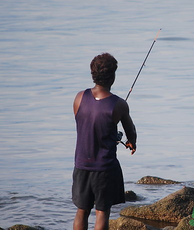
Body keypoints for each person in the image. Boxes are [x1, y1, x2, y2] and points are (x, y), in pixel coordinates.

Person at [72, 53, 137, 230]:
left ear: (93, 74)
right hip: (105, 168)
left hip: (81, 165)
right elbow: (130, 131)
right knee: (102, 212)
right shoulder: (119, 104)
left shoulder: (79, 98)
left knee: (82, 210)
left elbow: (91, 125)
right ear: (113, 76)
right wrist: (132, 142)